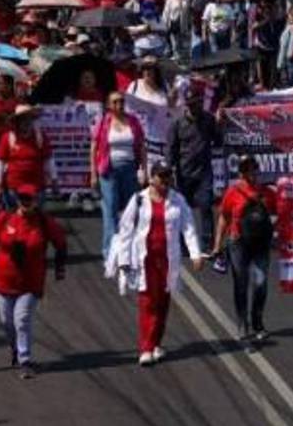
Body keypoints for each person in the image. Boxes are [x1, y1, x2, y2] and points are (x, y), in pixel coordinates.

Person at [107, 163, 204, 365]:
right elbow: (126, 230)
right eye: (161, 176)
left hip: (168, 259)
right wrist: (123, 260)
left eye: (168, 176)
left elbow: (188, 228)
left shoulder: (178, 200)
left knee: (163, 302)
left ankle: (156, 343)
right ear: (152, 178)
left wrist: (195, 254)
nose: (165, 180)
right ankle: (146, 348)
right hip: (145, 259)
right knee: (148, 302)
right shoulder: (139, 200)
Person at [0, 183, 67, 379]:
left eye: (29, 199)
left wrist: (59, 268)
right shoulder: (4, 218)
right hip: (4, 281)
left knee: (21, 320)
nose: (25, 202)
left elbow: (61, 243)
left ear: (36, 201)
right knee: (7, 322)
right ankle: (15, 348)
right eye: (22, 198)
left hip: (30, 282)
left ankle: (25, 359)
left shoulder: (44, 222)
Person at [211, 156, 275, 347]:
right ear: (241, 173)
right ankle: (242, 324)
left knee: (261, 283)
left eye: (253, 168)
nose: (251, 173)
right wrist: (217, 244)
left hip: (261, 245)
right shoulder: (233, 192)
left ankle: (257, 323)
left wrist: (271, 227)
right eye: (246, 169)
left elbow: (278, 213)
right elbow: (223, 218)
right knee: (241, 284)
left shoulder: (266, 193)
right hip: (238, 243)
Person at [90, 92, 148, 258]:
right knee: (110, 211)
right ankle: (110, 252)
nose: (119, 105)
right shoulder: (103, 122)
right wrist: (93, 173)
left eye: (121, 101)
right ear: (109, 105)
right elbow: (94, 148)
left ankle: (130, 250)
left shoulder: (133, 121)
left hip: (130, 169)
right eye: (115, 102)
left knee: (131, 211)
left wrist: (144, 170)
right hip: (109, 171)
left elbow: (141, 147)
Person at [167, 87, 220, 263]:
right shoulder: (177, 124)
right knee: (183, 210)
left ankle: (207, 245)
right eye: (190, 104)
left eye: (196, 103)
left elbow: (218, 140)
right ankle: (182, 244)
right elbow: (171, 149)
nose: (193, 107)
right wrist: (170, 170)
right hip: (184, 173)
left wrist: (221, 123)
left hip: (204, 172)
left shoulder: (209, 120)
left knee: (206, 206)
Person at [0, 105, 56, 209]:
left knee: (35, 216)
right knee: (14, 216)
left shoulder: (40, 137)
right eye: (23, 119)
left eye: (29, 119)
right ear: (17, 122)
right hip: (14, 188)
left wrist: (54, 180)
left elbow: (48, 160)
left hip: (37, 187)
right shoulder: (7, 138)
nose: (26, 122)